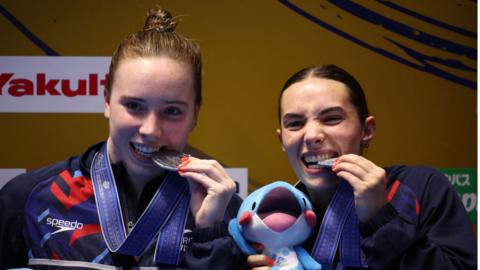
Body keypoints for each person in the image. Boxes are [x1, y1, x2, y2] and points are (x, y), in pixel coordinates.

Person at [0, 6, 244, 269]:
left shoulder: (226, 212)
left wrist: (209, 232)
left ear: (195, 114)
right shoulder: (30, 197)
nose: (150, 130)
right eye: (135, 106)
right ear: (106, 101)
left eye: (172, 111)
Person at [247, 64, 476, 269]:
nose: (312, 135)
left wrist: (381, 216)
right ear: (282, 141)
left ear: (367, 130)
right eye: (295, 123)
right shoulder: (270, 216)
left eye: (331, 118)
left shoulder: (421, 186)